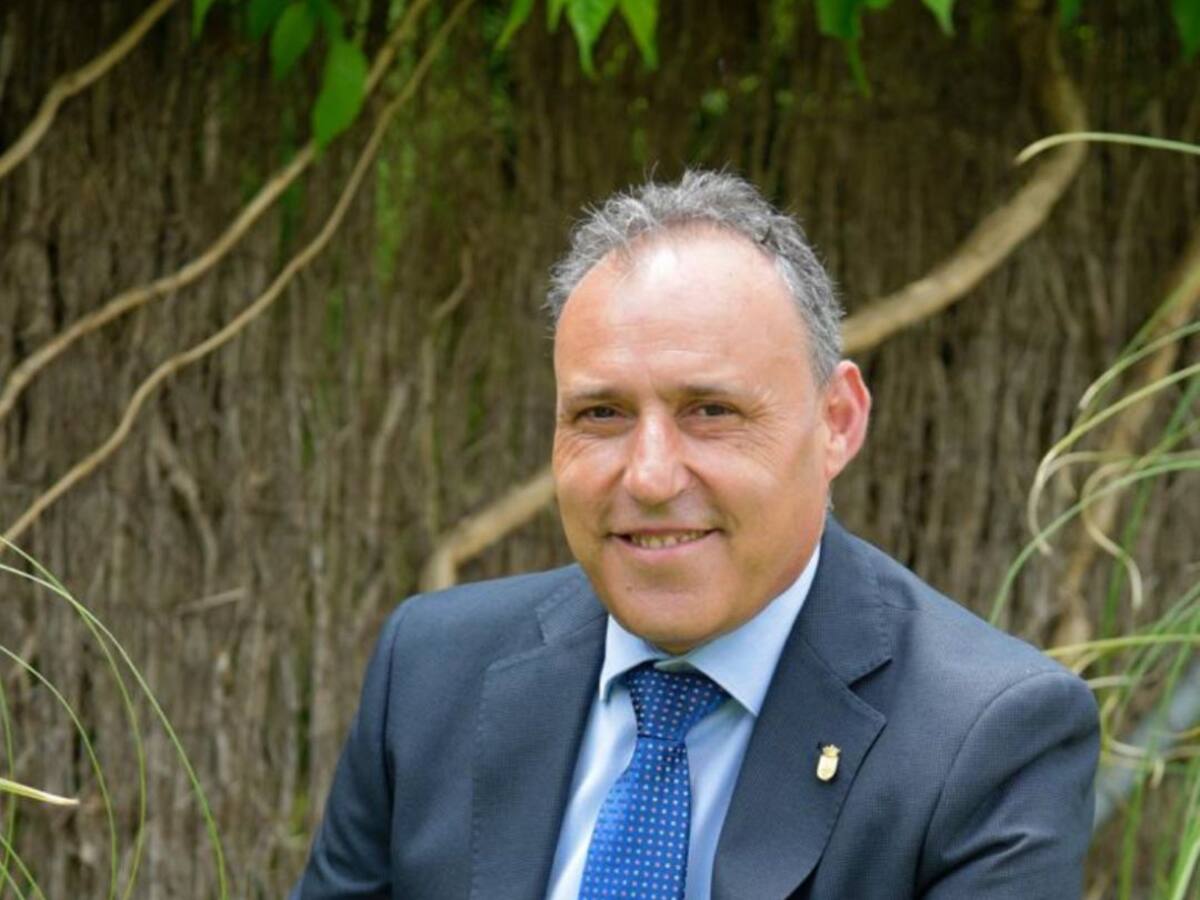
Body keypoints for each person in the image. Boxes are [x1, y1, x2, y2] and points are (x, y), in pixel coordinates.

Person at [291, 170, 1099, 899]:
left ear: (837, 422)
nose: (649, 476)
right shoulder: (431, 673)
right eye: (601, 414)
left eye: (711, 411)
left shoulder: (986, 740)